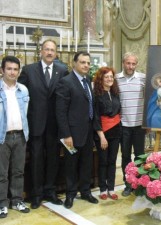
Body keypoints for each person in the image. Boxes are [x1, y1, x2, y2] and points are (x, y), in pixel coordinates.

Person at [18, 39, 69, 209]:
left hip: (55, 125)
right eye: (46, 49)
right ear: (41, 51)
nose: (49, 52)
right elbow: (21, 97)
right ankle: (36, 194)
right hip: (36, 124)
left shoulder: (62, 70)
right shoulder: (28, 70)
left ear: (56, 53)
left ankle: (50, 190)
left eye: (52, 50)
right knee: (37, 160)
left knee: (53, 159)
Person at [56, 51, 100, 209]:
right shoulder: (66, 82)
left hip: (87, 132)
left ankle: (86, 191)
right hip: (71, 135)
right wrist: (66, 134)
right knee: (71, 164)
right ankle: (70, 194)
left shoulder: (87, 80)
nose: (86, 65)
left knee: (87, 163)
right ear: (74, 63)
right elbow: (60, 112)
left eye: (88, 63)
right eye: (82, 62)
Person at [0, 56, 30, 218]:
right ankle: (2, 203)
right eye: (9, 69)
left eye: (15, 69)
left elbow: (25, 112)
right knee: (1, 173)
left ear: (19, 72)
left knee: (18, 171)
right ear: (2, 70)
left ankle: (17, 200)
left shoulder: (23, 90)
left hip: (20, 135)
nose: (12, 72)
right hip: (2, 137)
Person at [115, 52, 146, 197]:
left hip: (139, 124)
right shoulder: (116, 79)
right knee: (126, 156)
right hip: (124, 125)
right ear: (123, 63)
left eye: (133, 64)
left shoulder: (143, 78)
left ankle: (139, 184)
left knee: (140, 156)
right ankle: (128, 184)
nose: (131, 66)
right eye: (128, 63)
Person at [93, 67, 121, 201]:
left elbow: (118, 112)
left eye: (111, 77)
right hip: (102, 133)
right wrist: (101, 136)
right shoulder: (97, 95)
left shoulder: (115, 93)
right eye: (106, 77)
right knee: (103, 162)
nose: (110, 79)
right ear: (101, 79)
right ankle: (102, 189)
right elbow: (96, 117)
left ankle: (111, 188)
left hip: (116, 131)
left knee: (112, 161)